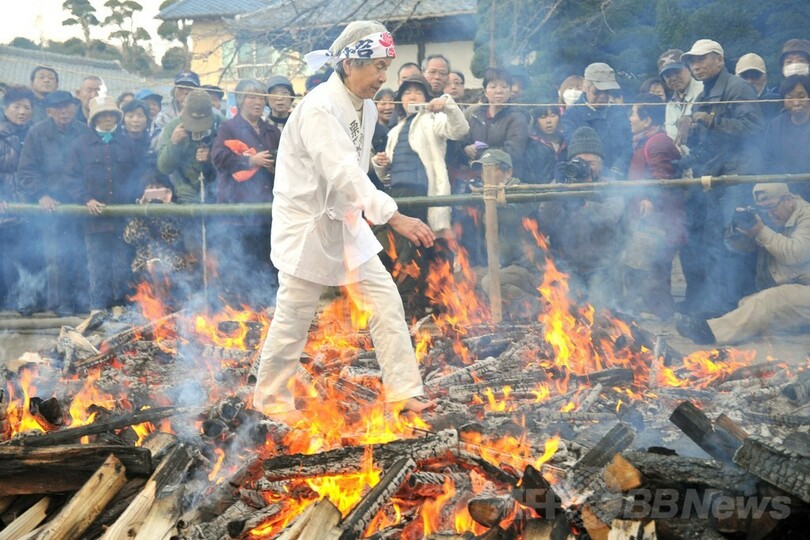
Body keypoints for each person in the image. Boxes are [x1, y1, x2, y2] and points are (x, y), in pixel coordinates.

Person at [251, 20, 435, 421]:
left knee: (385, 301)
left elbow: (356, 169)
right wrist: (392, 216)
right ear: (350, 64)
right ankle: (271, 401)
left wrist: (375, 200)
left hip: (345, 221)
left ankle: (403, 391)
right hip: (307, 224)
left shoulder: (365, 107)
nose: (383, 78)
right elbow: (342, 171)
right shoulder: (318, 107)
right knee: (294, 316)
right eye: (378, 67)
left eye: (387, 68)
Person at [680, 39, 764, 318]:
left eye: (701, 59)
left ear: (719, 59)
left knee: (733, 240)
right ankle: (715, 303)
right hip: (716, 177)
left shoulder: (737, 87)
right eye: (692, 61)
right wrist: (689, 139)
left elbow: (754, 128)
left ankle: (732, 305)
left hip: (737, 176)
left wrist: (713, 121)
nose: (695, 65)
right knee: (713, 240)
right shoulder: (704, 93)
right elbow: (708, 144)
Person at [371, 74, 468, 313]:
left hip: (424, 193)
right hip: (398, 195)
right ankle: (408, 301)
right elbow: (386, 174)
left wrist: (446, 104)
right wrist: (380, 163)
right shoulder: (395, 131)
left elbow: (459, 129)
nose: (412, 97)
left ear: (426, 97)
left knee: (425, 246)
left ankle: (427, 301)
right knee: (403, 247)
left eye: (417, 92)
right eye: (407, 93)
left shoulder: (433, 120)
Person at [677, 183, 810, 345]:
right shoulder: (775, 217)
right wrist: (738, 231)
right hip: (795, 291)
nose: (769, 214)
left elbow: (795, 254)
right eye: (763, 210)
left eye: (771, 207)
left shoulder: (807, 216)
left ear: (788, 200)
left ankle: (710, 333)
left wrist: (761, 231)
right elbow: (743, 249)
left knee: (769, 300)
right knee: (748, 305)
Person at [17, 90, 90, 316]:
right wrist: (41, 194)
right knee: (56, 255)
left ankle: (82, 301)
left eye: (67, 106)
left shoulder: (85, 131)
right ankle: (59, 304)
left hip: (79, 203)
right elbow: (26, 170)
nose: (64, 111)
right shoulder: (37, 132)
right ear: (49, 111)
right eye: (58, 108)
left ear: (75, 107)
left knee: (81, 253)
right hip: (51, 205)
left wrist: (87, 196)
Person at [67, 96, 142, 311]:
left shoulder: (128, 144)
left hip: (122, 217)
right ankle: (97, 308)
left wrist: (135, 196)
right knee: (96, 265)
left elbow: (138, 175)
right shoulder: (80, 145)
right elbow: (71, 178)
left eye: (111, 114)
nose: (107, 118)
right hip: (94, 218)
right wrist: (86, 199)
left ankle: (119, 306)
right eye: (102, 115)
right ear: (94, 119)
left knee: (121, 264)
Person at [211, 78, 281, 306]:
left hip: (268, 210)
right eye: (251, 97)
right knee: (240, 263)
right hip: (238, 211)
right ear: (240, 100)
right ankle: (240, 307)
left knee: (269, 262)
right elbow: (219, 158)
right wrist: (250, 160)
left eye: (261, 97)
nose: (257, 102)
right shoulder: (229, 128)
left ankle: (269, 306)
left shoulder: (272, 131)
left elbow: (288, 162)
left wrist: (275, 166)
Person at [538, 127, 625, 309]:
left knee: (600, 312)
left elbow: (609, 216)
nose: (585, 167)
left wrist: (583, 203)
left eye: (591, 162)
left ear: (601, 164)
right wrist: (558, 191)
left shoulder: (611, 185)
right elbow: (547, 218)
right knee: (567, 311)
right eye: (580, 162)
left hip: (602, 265)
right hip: (567, 265)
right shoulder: (561, 184)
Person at [621, 94, 684, 320]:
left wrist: (650, 200)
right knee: (650, 266)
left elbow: (662, 178)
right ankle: (653, 308)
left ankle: (660, 311)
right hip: (649, 218)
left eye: (634, 114)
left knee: (656, 266)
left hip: (660, 220)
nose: (630, 118)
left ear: (647, 120)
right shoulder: (645, 141)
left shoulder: (657, 143)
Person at [473, 149, 545, 313]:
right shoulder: (488, 194)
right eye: (483, 171)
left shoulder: (523, 190)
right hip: (502, 266)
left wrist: (489, 202)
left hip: (527, 269)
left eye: (491, 170)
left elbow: (511, 216)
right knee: (463, 277)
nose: (485, 176)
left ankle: (535, 306)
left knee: (489, 282)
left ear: (508, 172)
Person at [0, 86, 43, 314]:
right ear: (5, 108)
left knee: (31, 255)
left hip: (32, 206)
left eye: (27, 107)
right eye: (17, 107)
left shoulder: (36, 133)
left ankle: (27, 300)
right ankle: (10, 302)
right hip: (6, 206)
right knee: (7, 257)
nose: (22, 112)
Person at [561, 63, 632, 178]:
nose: (602, 96)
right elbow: (574, 147)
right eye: (597, 91)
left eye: (607, 91)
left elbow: (627, 147)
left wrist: (616, 171)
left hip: (617, 177)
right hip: (585, 175)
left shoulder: (619, 113)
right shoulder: (571, 115)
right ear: (586, 87)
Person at [157, 89, 219, 205]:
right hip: (185, 195)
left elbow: (232, 165)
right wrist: (174, 143)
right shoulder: (172, 127)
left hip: (217, 193)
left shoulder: (221, 125)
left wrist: (211, 158)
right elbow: (164, 168)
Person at [765, 76, 810, 200]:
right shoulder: (776, 125)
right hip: (784, 194)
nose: (796, 103)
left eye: (801, 97)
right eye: (790, 98)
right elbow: (767, 160)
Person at [657, 49, 703, 152]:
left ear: (689, 69)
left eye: (677, 71)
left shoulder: (704, 91)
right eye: (667, 75)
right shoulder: (670, 106)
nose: (673, 78)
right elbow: (673, 139)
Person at [524, 103, 564, 184]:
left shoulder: (565, 142)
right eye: (543, 117)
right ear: (536, 122)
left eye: (553, 115)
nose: (548, 121)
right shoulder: (531, 146)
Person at [735, 53, 781, 121]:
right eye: (744, 76)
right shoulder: (727, 103)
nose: (750, 81)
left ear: (765, 79)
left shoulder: (777, 103)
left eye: (755, 76)